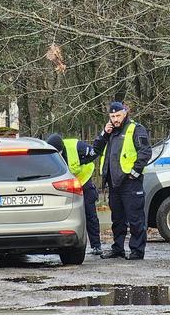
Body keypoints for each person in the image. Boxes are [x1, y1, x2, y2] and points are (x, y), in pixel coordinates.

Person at [93, 101, 151, 260]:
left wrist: (135, 172)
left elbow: (145, 152)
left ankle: (137, 251)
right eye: (112, 116)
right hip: (113, 182)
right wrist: (104, 133)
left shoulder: (135, 129)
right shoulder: (110, 131)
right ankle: (117, 249)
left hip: (130, 181)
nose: (115, 119)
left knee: (135, 219)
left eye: (118, 115)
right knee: (117, 219)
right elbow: (96, 149)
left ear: (125, 113)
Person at [46, 133, 102, 255]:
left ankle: (96, 245)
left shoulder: (76, 146)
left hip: (83, 182)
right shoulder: (50, 154)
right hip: (66, 186)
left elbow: (94, 153)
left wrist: (83, 160)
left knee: (89, 213)